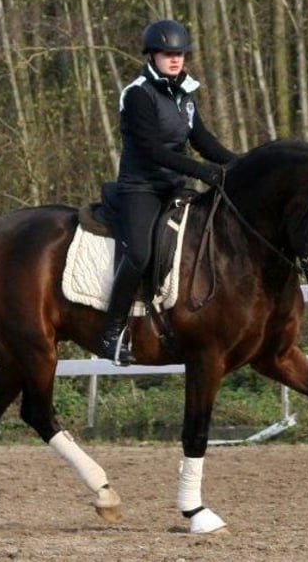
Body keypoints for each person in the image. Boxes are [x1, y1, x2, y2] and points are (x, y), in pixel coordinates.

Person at [101, 19, 238, 365]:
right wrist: (204, 172)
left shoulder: (184, 94)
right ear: (152, 55)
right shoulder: (137, 94)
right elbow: (153, 151)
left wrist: (241, 164)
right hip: (141, 188)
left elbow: (202, 140)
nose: (175, 59)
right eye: (167, 53)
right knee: (140, 254)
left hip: (174, 187)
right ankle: (112, 333)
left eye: (179, 53)